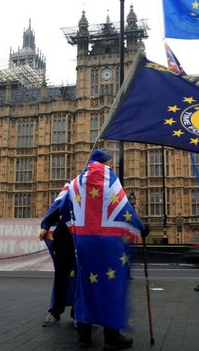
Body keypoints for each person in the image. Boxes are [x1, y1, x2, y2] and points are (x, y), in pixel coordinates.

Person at [42, 149, 149, 349]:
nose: (111, 165)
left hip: (83, 242)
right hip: (108, 244)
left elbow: (63, 207)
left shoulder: (75, 182)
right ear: (104, 163)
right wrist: (141, 227)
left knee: (84, 286)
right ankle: (111, 336)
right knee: (110, 285)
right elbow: (124, 208)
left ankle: (83, 337)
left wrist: (74, 226)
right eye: (109, 162)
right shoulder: (110, 178)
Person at [39, 182, 76, 327]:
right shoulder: (74, 187)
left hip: (82, 239)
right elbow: (58, 206)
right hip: (64, 238)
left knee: (81, 279)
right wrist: (45, 225)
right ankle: (55, 311)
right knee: (61, 277)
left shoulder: (98, 190)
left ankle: (78, 314)